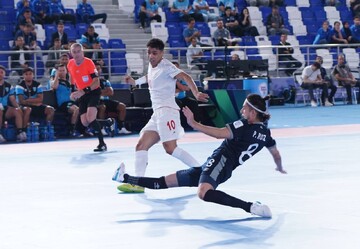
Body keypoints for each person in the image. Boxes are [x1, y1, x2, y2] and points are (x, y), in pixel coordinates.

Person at [112, 94, 287, 218]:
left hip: (220, 162)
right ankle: (125, 178)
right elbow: (276, 154)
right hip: (221, 167)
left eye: (245, 108)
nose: (242, 110)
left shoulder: (244, 125)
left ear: (253, 113)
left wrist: (193, 123)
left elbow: (220, 133)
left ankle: (251, 207)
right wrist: (279, 167)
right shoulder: (266, 133)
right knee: (165, 182)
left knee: (204, 193)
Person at [118, 38, 209, 193]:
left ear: (161, 53)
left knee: (170, 148)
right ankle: (138, 183)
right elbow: (149, 77)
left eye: (155, 53)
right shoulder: (151, 65)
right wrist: (135, 81)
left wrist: (196, 92)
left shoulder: (167, 66)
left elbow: (185, 77)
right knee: (141, 145)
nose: (151, 56)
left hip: (168, 111)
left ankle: (201, 172)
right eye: (149, 53)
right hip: (157, 114)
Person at [67, 43, 114, 151]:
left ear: (82, 52)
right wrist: (73, 90)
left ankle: (102, 144)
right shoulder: (70, 64)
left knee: (91, 117)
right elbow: (71, 76)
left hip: (93, 91)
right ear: (71, 53)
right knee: (85, 122)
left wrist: (84, 91)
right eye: (74, 52)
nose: (77, 54)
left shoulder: (88, 63)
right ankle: (107, 122)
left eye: (79, 51)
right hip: (82, 93)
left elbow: (96, 81)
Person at [96, 63, 131, 135]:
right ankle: (101, 128)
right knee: (102, 107)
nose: (97, 71)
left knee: (122, 106)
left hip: (107, 101)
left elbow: (111, 92)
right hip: (96, 101)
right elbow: (94, 93)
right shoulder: (90, 81)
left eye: (99, 69)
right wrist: (104, 91)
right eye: (96, 69)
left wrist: (100, 92)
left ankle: (121, 128)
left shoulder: (105, 81)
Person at [0, 65, 29, 143]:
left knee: (17, 110)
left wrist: (18, 107)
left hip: (5, 108)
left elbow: (12, 99)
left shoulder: (9, 86)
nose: (0, 74)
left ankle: (20, 132)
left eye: (1, 72)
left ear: (4, 74)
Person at [50, 63, 79, 135]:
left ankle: (81, 128)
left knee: (83, 108)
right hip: (63, 104)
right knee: (77, 110)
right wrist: (56, 76)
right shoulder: (56, 82)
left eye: (63, 70)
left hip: (71, 102)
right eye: (60, 71)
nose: (62, 72)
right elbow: (54, 86)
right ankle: (72, 129)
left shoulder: (68, 82)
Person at [172, 61, 201, 128]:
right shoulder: (167, 79)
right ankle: (177, 125)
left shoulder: (182, 77)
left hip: (183, 98)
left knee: (193, 102)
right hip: (172, 98)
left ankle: (196, 123)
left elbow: (187, 88)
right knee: (177, 103)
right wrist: (180, 87)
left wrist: (177, 85)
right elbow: (168, 90)